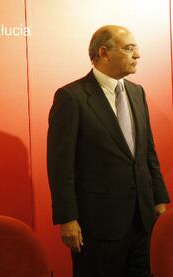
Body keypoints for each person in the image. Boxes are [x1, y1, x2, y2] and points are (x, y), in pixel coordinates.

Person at [47, 25, 170, 276]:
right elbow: (61, 165)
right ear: (104, 53)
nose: (138, 55)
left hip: (143, 219)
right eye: (129, 48)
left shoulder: (137, 92)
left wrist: (159, 197)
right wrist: (67, 218)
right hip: (98, 224)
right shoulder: (72, 97)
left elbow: (148, 151)